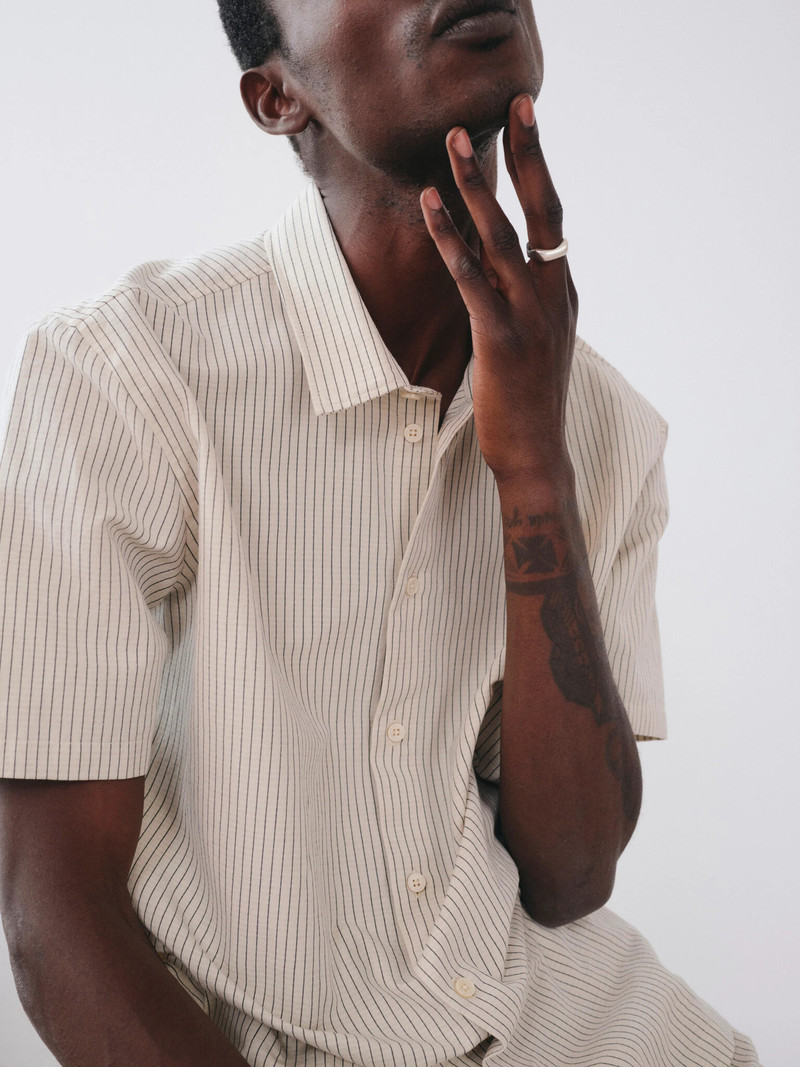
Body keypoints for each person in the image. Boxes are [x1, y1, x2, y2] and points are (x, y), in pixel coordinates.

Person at [0, 1, 760, 1065]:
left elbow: (570, 875)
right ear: (279, 96)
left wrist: (535, 466)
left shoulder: (602, 421)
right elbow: (54, 918)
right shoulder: (128, 376)